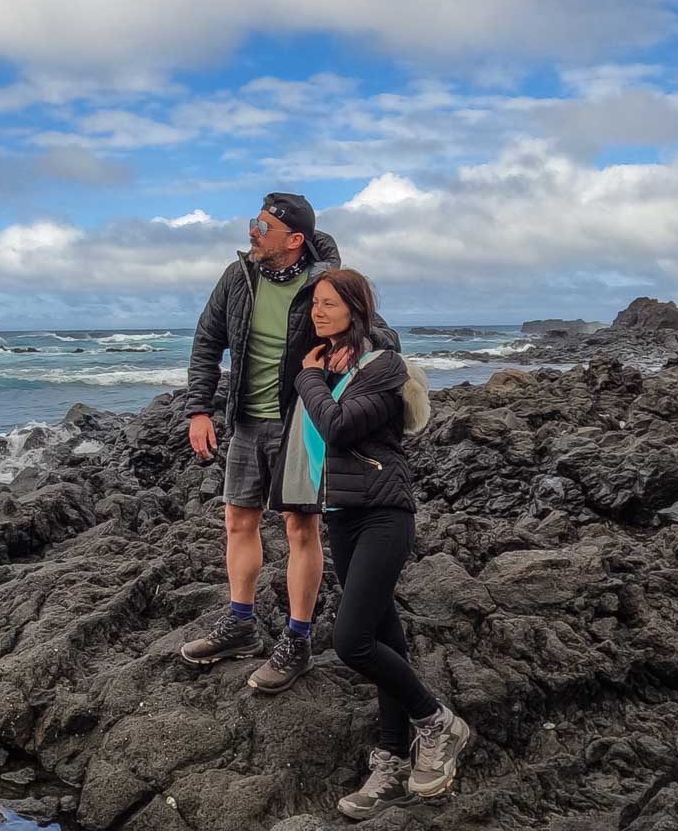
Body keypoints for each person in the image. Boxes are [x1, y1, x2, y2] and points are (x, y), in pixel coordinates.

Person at [270, 267, 471, 818]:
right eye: (315, 304)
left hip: (385, 513)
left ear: (357, 309)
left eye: (330, 304)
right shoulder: (327, 363)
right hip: (342, 515)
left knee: (352, 640)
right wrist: (309, 371)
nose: (319, 312)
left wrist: (307, 380)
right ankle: (391, 762)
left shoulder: (383, 366)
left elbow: (337, 427)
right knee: (388, 643)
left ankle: (437, 723)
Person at [180, 192, 398, 694]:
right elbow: (207, 341)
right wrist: (199, 409)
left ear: (294, 239)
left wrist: (354, 349)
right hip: (245, 421)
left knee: (301, 527)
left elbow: (383, 335)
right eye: (253, 222)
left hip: (302, 422)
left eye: (262, 226)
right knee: (238, 519)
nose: (252, 232)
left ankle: (297, 640)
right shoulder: (239, 276)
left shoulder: (325, 282)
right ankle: (240, 624)